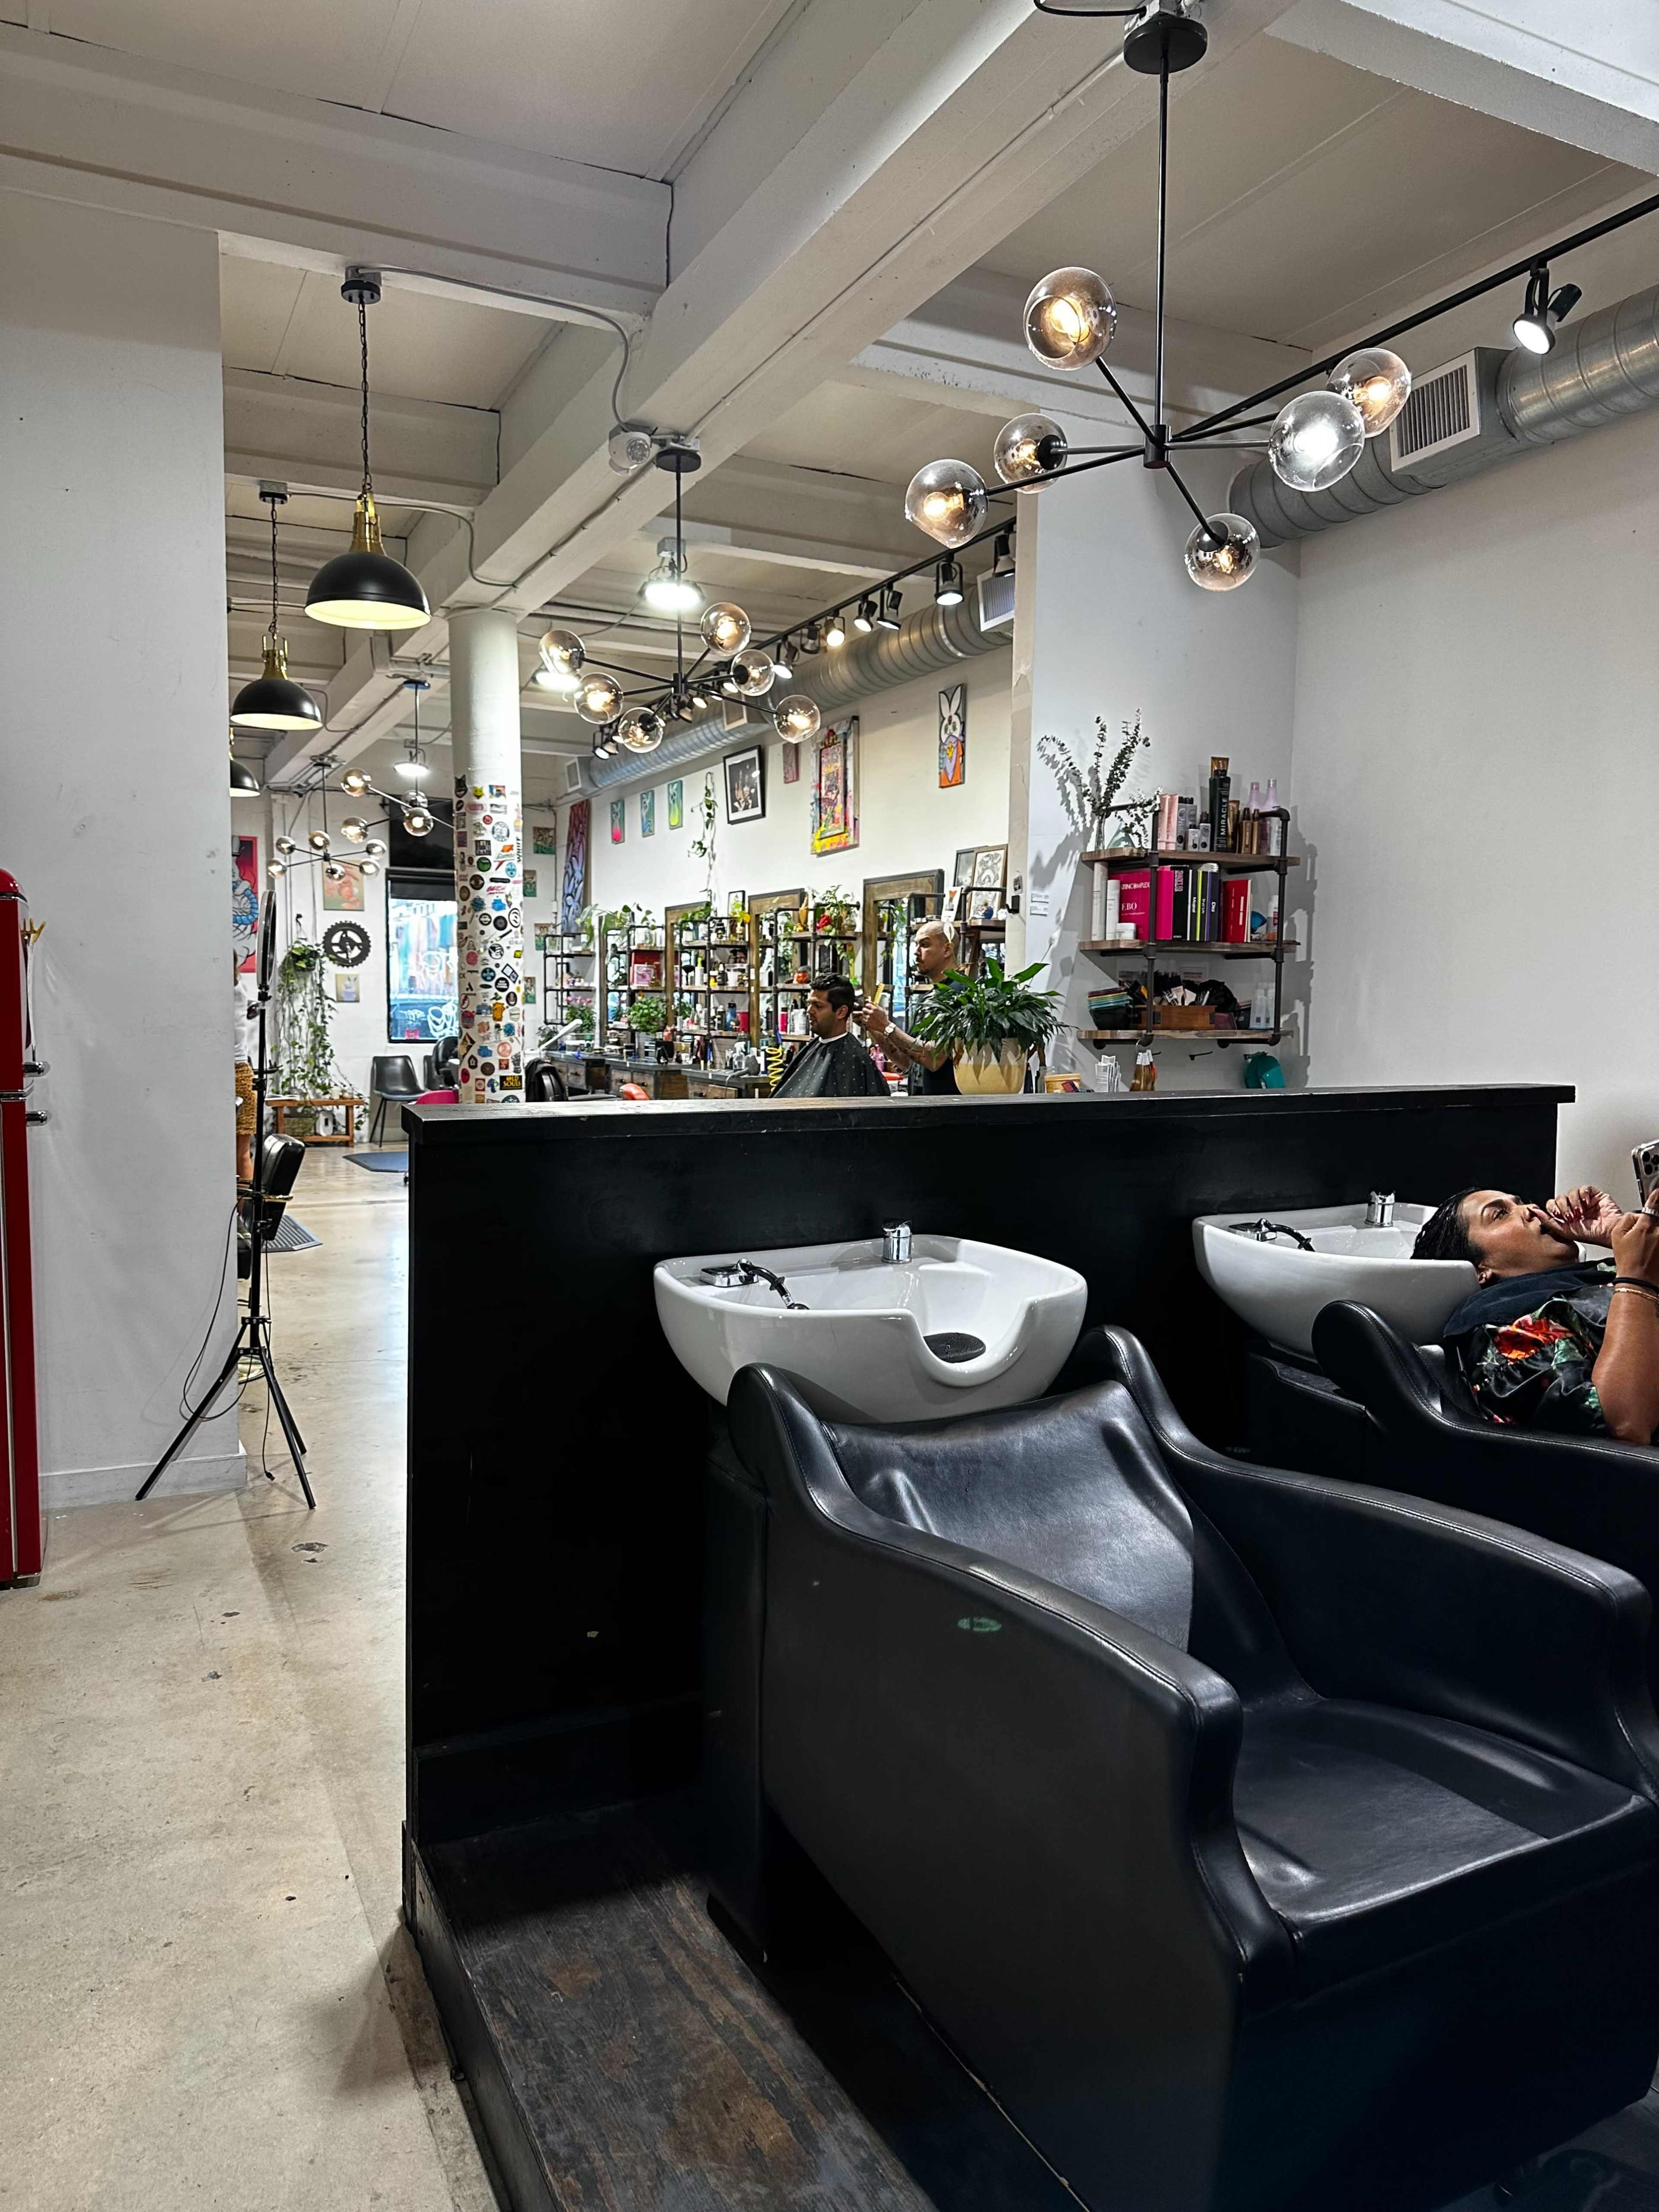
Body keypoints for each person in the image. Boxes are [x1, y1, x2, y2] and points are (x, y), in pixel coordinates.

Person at [1413, 1183, 1659, 1443]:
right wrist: (1636, 1280)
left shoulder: (1592, 1277)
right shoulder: (1507, 1335)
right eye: (1499, 1214)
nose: (1531, 1209)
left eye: (1521, 1202)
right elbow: (1625, 1427)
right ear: (1479, 1269)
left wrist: (1617, 1233)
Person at [857, 917, 965, 1094]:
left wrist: (887, 1025)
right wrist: (875, 1029)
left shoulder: (960, 994)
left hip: (947, 1108)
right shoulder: (929, 997)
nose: (916, 952)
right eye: (916, 945)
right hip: (922, 1106)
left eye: (925, 945)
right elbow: (909, 1062)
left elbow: (933, 1059)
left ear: (947, 949)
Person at [771, 975, 890, 1099]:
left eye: (818, 1006)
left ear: (841, 1012)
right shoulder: (814, 1047)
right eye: (810, 1004)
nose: (809, 1011)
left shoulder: (853, 1058)